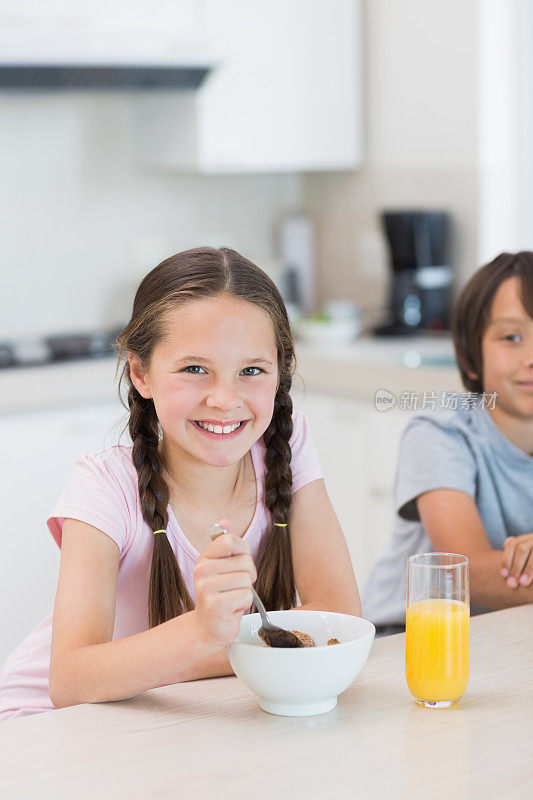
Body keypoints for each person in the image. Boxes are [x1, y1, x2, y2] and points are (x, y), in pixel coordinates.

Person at [0, 246, 360, 720]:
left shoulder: (286, 447)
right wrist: (204, 633)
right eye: (195, 369)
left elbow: (340, 618)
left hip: (171, 712)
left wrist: (216, 645)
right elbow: (70, 680)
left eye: (251, 370)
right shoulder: (105, 484)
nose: (224, 399)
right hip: (45, 726)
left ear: (280, 374)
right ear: (140, 373)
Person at [363, 251, 533, 635]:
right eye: (512, 337)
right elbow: (466, 571)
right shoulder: (440, 432)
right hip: (405, 638)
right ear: (473, 356)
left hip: (505, 635)